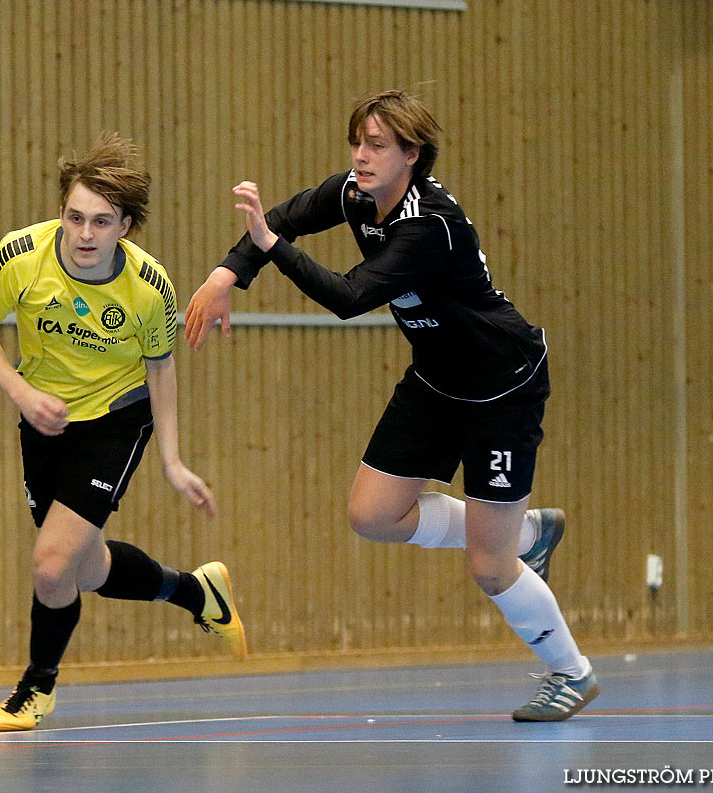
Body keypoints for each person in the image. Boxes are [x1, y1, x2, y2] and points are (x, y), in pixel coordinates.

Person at [183, 90, 598, 722]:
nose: (361, 156)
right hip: (436, 380)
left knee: (490, 568)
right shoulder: (353, 193)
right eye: (357, 142)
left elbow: (349, 296)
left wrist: (268, 248)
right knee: (372, 514)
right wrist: (225, 274)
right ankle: (529, 532)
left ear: (412, 154)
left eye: (377, 145)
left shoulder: (429, 226)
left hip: (501, 388)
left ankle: (570, 672)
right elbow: (286, 217)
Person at [0, 132, 247, 732]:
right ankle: (197, 593)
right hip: (43, 418)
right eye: (74, 217)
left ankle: (35, 689)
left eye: (101, 221)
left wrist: (172, 460)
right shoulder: (20, 257)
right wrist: (23, 392)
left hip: (116, 420)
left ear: (125, 226)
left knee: (48, 565)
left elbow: (161, 366)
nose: (84, 234)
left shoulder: (148, 287)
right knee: (82, 571)